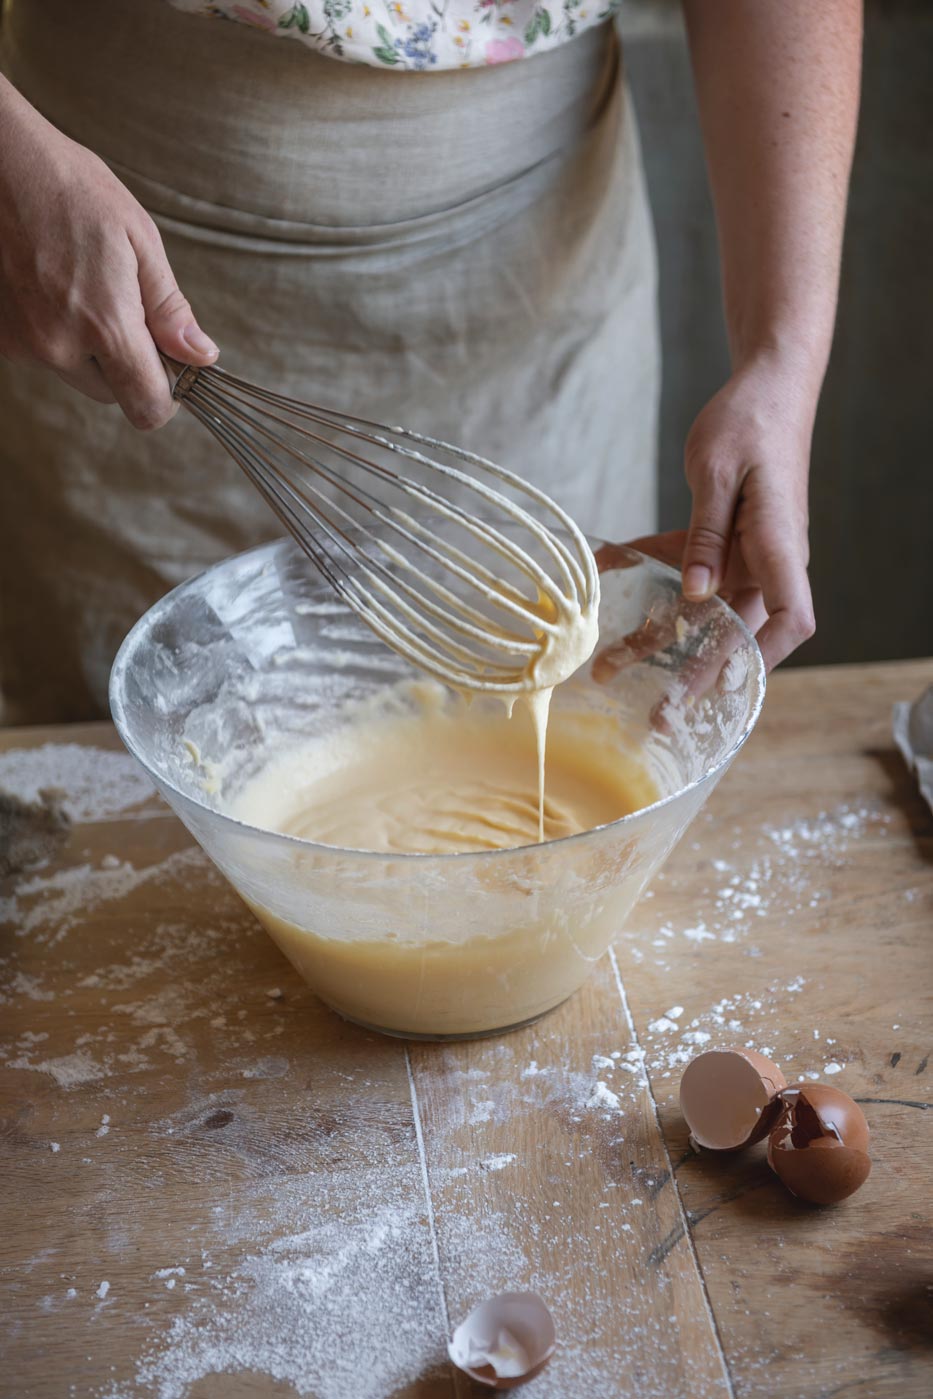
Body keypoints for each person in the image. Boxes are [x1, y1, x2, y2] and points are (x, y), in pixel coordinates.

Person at [0, 0, 862, 726]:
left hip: (534, 293)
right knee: (127, 788)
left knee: (559, 695)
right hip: (102, 266)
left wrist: (781, 353)